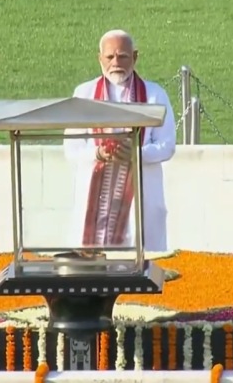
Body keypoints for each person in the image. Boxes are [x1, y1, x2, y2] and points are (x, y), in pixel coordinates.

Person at [63, 29, 176, 252]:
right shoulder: (84, 93)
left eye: (123, 56)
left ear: (134, 57)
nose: (116, 62)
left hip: (141, 194)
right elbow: (72, 148)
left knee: (142, 259)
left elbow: (167, 145)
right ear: (100, 58)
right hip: (94, 194)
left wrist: (136, 153)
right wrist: (98, 154)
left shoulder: (154, 94)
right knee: (94, 264)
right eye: (110, 57)